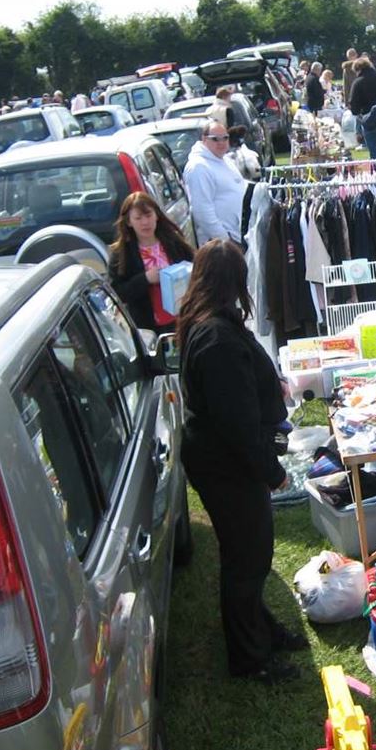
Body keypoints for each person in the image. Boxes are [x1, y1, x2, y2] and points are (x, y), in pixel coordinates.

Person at [178, 238, 307, 686]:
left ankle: (260, 631)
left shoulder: (213, 323)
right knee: (246, 559)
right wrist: (270, 472)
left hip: (223, 458)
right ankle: (249, 657)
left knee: (250, 554)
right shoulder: (216, 336)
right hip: (226, 464)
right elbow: (236, 423)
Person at [108, 192, 196, 334]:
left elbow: (195, 267)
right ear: (129, 222)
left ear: (156, 216)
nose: (145, 222)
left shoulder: (173, 241)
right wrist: (146, 279)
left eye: (148, 215)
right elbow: (117, 292)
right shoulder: (122, 253)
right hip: (148, 327)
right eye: (138, 218)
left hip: (183, 320)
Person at [184, 121, 246, 246]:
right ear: (204, 139)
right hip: (221, 244)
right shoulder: (199, 167)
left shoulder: (225, 159)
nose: (221, 142)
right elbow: (202, 210)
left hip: (238, 236)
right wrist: (224, 239)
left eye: (225, 138)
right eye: (215, 139)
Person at [348, 57, 376, 158]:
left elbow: (354, 105)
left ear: (358, 70)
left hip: (369, 118)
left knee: (375, 152)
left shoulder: (358, 82)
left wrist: (357, 114)